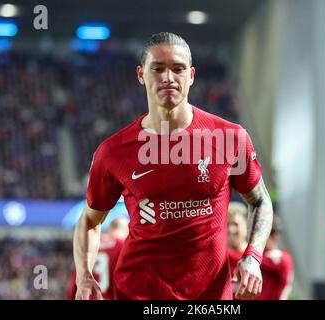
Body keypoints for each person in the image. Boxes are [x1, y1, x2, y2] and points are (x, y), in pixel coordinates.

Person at [73, 32, 273, 300]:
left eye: (178, 69)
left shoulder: (230, 138)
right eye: (158, 69)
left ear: (191, 75)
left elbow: (260, 201)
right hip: (139, 293)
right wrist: (84, 277)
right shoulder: (112, 152)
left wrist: (253, 256)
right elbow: (89, 221)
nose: (168, 77)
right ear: (141, 74)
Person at [67, 217, 129, 300]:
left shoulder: (91, 245)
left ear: (110, 230)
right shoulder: (125, 245)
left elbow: (77, 281)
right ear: (127, 230)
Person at [256, 214, 294, 300]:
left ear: (275, 236)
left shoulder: (282, 257)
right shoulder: (263, 255)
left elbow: (249, 259)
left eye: (261, 235)